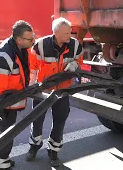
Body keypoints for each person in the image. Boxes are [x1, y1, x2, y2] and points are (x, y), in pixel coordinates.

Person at [26, 17, 84, 167]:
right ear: (56, 32)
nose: (69, 36)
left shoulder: (75, 45)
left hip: (63, 91)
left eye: (70, 32)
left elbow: (80, 62)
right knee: (37, 120)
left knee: (59, 122)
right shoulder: (40, 46)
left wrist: (74, 65)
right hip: (42, 91)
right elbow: (32, 68)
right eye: (66, 33)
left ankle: (54, 151)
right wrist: (31, 87)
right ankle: (34, 146)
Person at [0, 20, 35, 170]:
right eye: (30, 39)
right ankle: (3, 163)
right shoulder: (4, 56)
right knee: (6, 133)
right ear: (19, 39)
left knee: (2, 132)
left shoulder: (18, 49)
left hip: (9, 101)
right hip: (3, 104)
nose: (33, 41)